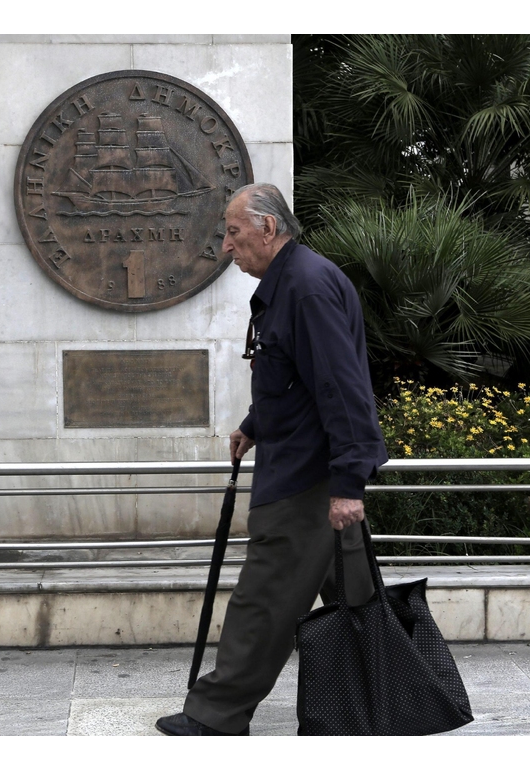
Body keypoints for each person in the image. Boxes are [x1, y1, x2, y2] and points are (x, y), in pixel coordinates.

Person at [156, 183, 389, 736]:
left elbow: (341, 390)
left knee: (264, 597)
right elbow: (294, 378)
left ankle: (218, 713)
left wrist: (348, 484)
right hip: (309, 469)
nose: (226, 247)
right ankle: (388, 694)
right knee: (356, 602)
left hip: (307, 480)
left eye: (233, 232)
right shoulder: (292, 282)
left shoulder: (305, 288)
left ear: (267, 228)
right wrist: (255, 425)